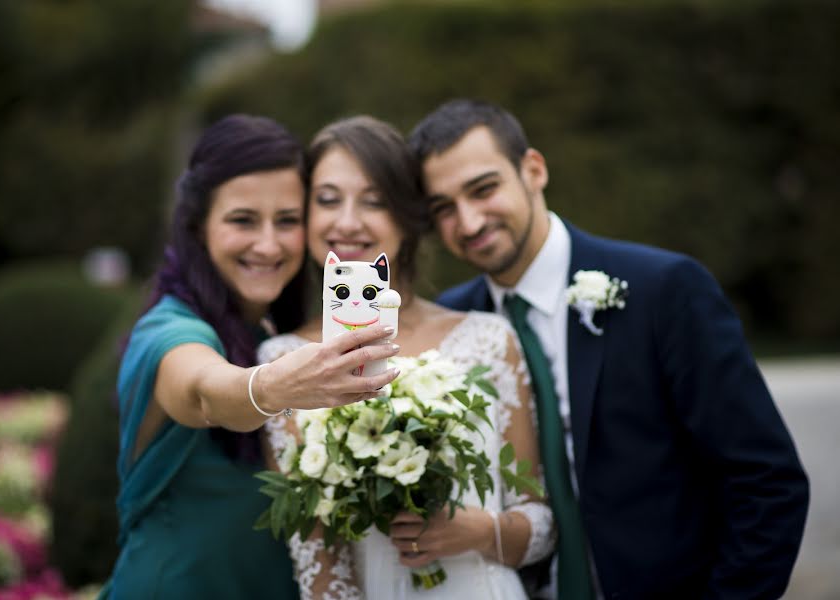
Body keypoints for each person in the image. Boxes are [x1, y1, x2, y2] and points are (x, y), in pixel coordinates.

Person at [407, 98, 810, 599]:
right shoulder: (451, 324)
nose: (468, 223)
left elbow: (767, 483)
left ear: (533, 170)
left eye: (483, 189)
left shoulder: (664, 290)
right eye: (443, 209)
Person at [100, 114, 401, 599]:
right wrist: (268, 388)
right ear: (197, 227)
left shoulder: (279, 330)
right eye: (243, 220)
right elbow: (204, 392)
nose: (268, 244)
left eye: (287, 221)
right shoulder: (169, 330)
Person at [258, 115, 557, 600]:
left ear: (407, 215)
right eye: (328, 199)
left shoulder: (488, 339)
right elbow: (318, 564)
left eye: (374, 200)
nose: (347, 221)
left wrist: (476, 530)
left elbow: (542, 524)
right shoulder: (281, 361)